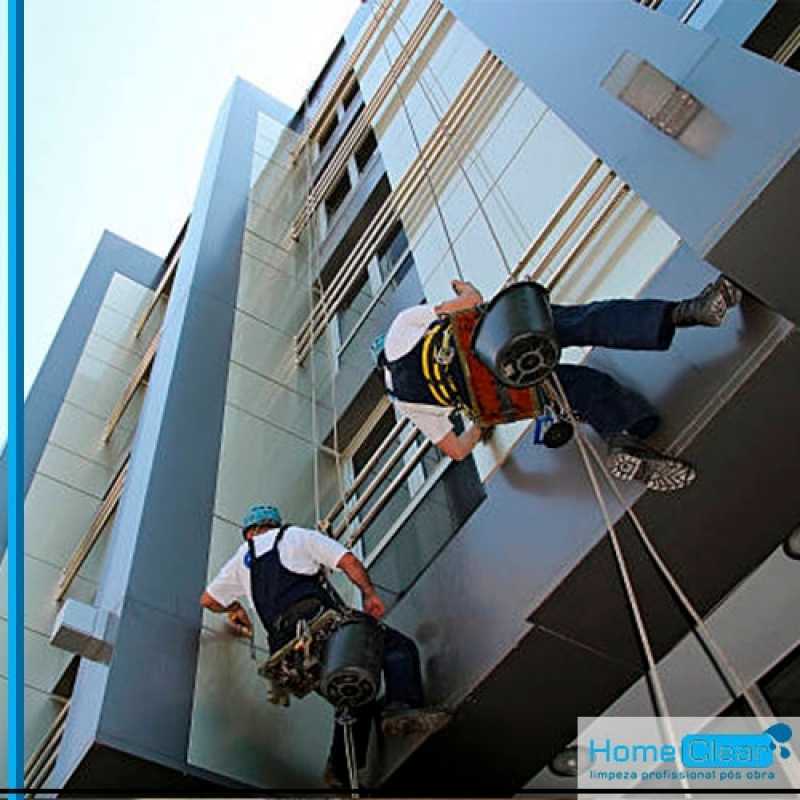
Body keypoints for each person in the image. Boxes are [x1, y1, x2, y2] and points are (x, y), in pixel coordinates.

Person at [373, 276, 742, 492]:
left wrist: (481, 426)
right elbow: (470, 303)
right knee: (589, 321)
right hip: (502, 340)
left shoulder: (405, 402)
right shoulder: (399, 329)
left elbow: (455, 450)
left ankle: (622, 441)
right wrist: (465, 289)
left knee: (581, 390)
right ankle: (689, 311)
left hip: (506, 390)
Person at [200, 504, 448, 787]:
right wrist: (369, 594)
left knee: (353, 693)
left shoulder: (241, 559)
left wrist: (236, 608)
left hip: (288, 657)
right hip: (319, 627)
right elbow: (348, 561)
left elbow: (208, 600)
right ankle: (401, 708)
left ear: (249, 534)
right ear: (275, 525)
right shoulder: (294, 536)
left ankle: (339, 775)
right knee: (396, 648)